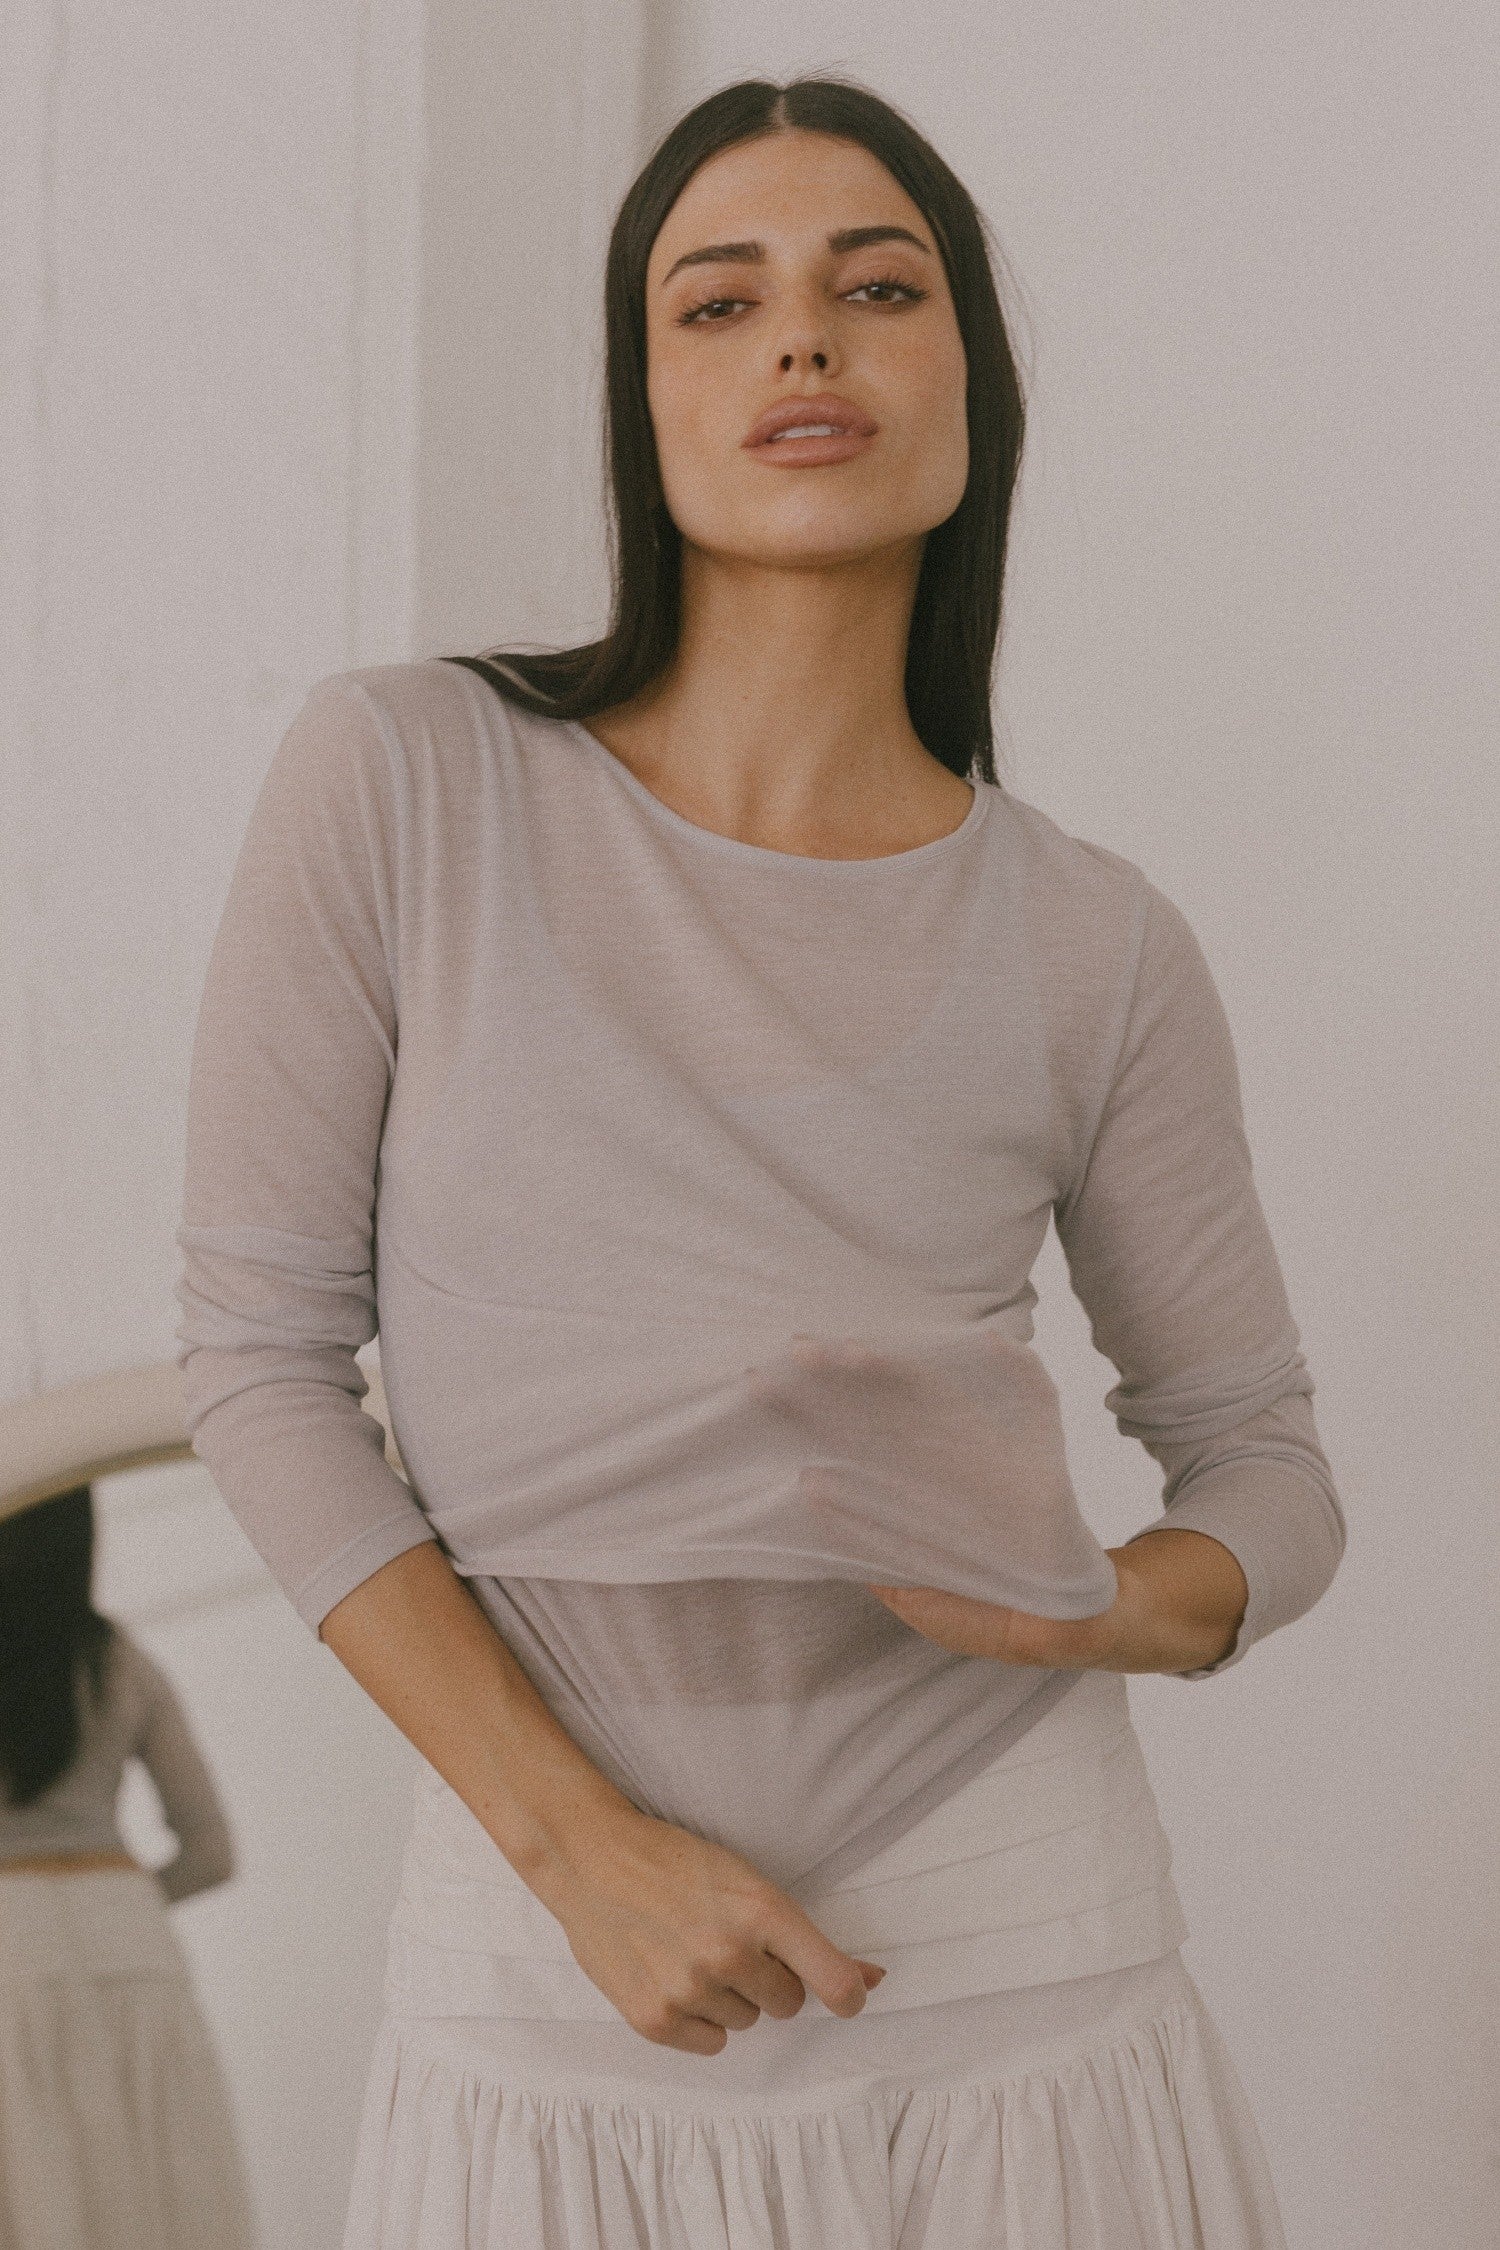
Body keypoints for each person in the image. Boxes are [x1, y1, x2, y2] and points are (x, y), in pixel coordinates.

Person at [174, 72, 1347, 2249]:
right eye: (718, 303)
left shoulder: (1097, 939)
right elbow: (253, 1361)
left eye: (875, 288)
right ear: (644, 408)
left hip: (1024, 1978)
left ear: (971, 384)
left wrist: (1109, 1620)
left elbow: (1267, 1475)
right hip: (557, 1979)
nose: (802, 341)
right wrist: (575, 1853)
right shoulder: (407, 781)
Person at [0, 1483, 256, 2248]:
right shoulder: (122, 1662)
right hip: (129, 1933)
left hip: (8, 1938)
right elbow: (211, 1851)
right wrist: (121, 1901)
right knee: (164, 2187)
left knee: (36, 2189)